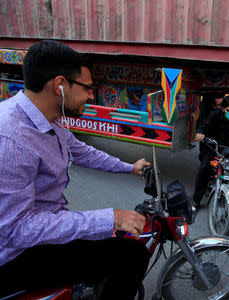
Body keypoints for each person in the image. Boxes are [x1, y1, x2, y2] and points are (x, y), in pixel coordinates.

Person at [0, 40, 151, 299]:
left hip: (39, 227)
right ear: (59, 85)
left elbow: (83, 152)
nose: (92, 95)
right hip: (13, 255)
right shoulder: (12, 138)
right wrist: (111, 217)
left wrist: (130, 168)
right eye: (88, 88)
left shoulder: (50, 120)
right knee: (132, 255)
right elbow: (17, 229)